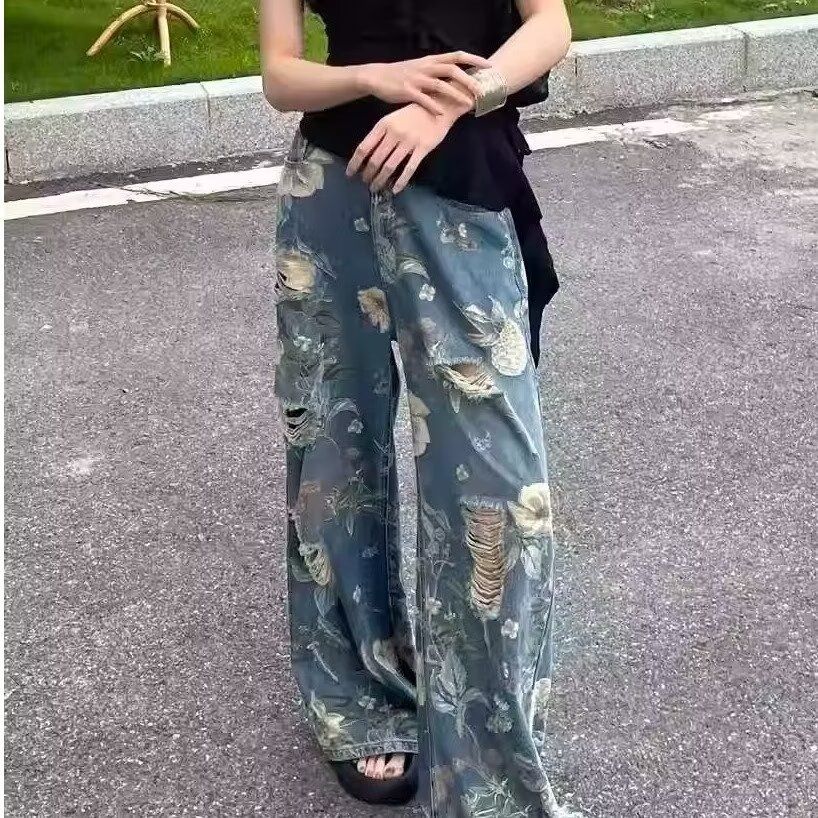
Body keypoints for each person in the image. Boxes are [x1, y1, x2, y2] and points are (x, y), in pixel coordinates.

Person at [260, 2, 577, 816]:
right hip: (331, 193)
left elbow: (550, 27)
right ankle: (362, 697)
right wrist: (375, 78)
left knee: (498, 493)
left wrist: (447, 101)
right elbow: (281, 75)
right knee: (332, 458)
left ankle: (490, 775)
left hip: (461, 188)